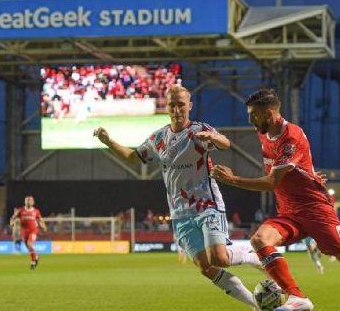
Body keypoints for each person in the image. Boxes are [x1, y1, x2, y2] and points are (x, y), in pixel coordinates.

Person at [94, 85, 261, 310]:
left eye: (181, 104)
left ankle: (253, 255)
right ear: (167, 107)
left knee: (219, 258)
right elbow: (134, 157)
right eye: (172, 105)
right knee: (206, 267)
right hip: (180, 214)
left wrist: (212, 136)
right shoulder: (158, 138)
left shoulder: (198, 131)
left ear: (189, 106)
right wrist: (108, 142)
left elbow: (225, 143)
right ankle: (256, 305)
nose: (176, 109)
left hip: (206, 205)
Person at [211, 88, 340, 311]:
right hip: (289, 212)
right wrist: (307, 172)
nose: (250, 119)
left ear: (269, 113)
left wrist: (232, 179)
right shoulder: (264, 133)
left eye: (254, 114)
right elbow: (292, 169)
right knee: (260, 240)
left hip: (314, 209)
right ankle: (297, 298)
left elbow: (272, 182)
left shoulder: (291, 136)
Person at [10, 194, 47, 270]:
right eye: (27, 200)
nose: (28, 201)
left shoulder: (36, 211)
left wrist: (43, 226)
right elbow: (13, 217)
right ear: (25, 201)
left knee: (30, 244)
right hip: (24, 231)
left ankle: (33, 262)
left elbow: (40, 220)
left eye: (30, 200)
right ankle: (36, 257)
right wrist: (12, 223)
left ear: (33, 202)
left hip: (33, 230)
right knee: (28, 247)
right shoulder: (20, 210)